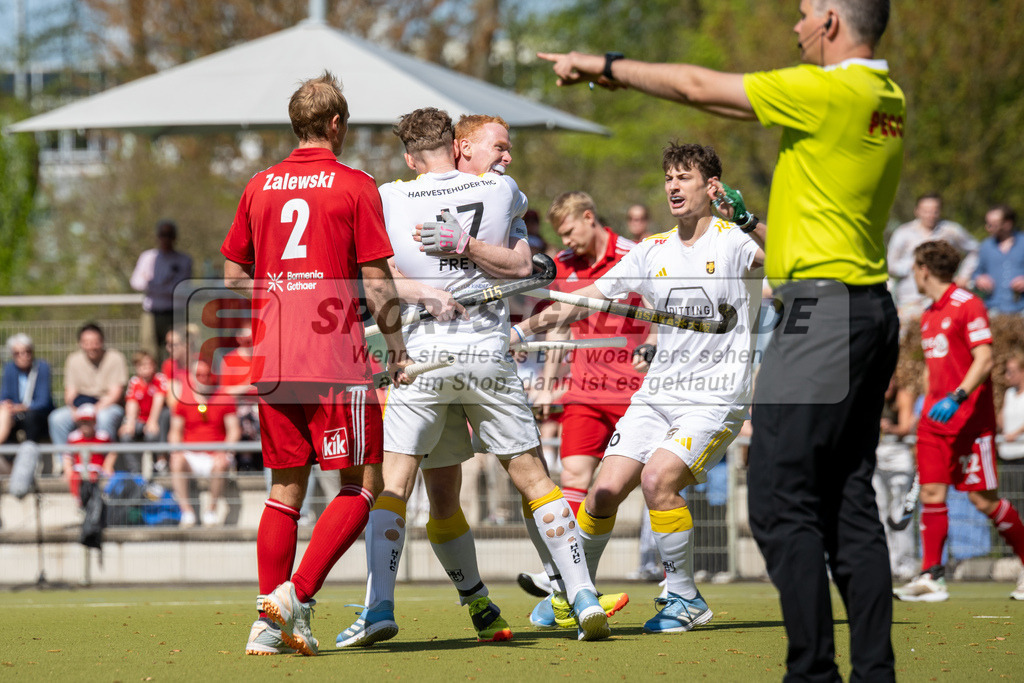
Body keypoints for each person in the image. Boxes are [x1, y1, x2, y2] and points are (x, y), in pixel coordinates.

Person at [539, 1, 904, 677]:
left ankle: (802, 663)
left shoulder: (830, 90)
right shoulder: (888, 96)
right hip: (865, 308)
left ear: (830, 19)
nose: (795, 27)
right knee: (849, 501)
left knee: (776, 499)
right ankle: (871, 669)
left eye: (802, 14)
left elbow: (695, 87)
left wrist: (601, 66)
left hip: (819, 313)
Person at [338, 107, 609, 648]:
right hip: (487, 354)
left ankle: (378, 608)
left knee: (396, 484)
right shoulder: (502, 190)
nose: (506, 157)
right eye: (498, 146)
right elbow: (521, 266)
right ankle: (580, 597)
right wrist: (440, 284)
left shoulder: (387, 196)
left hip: (420, 358)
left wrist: (422, 290)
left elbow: (381, 277)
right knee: (530, 477)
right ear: (457, 146)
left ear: (410, 157)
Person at [513, 143, 764, 633]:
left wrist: (750, 218)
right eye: (669, 176)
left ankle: (685, 598)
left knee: (658, 481)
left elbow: (788, 259)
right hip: (656, 396)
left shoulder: (733, 239)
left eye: (684, 177)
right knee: (602, 493)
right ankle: (571, 591)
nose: (672, 185)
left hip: (714, 399)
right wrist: (523, 331)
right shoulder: (652, 250)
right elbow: (584, 299)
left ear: (710, 187)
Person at [222, 71, 411, 657]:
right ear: (336, 124)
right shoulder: (356, 185)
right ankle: (295, 598)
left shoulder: (257, 185)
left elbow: (232, 278)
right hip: (334, 357)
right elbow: (378, 282)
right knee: (360, 485)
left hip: (273, 357)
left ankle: (268, 624)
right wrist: (397, 344)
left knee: (284, 491)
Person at [516, 190, 649, 604]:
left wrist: (657, 346)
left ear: (589, 217)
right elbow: (559, 329)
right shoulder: (565, 268)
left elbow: (666, 307)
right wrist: (548, 382)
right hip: (584, 392)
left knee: (645, 487)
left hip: (636, 396)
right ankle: (562, 572)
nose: (567, 241)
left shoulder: (635, 254)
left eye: (570, 231)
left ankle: (673, 579)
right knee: (572, 478)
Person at [894, 240, 1024, 602]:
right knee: (933, 495)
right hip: (933, 422)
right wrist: (927, 403)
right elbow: (933, 369)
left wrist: (957, 397)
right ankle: (931, 577)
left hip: (969, 421)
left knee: (984, 502)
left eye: (914, 268)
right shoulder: (929, 312)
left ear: (924, 269)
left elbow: (984, 360)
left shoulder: (969, 305)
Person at [168, 360, 240, 528]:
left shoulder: (225, 398)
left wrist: (226, 451)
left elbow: (234, 430)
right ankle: (187, 512)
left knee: (222, 462)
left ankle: (211, 510)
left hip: (216, 454)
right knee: (176, 461)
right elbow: (175, 431)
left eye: (207, 374)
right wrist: (176, 449)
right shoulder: (183, 400)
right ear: (192, 377)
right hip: (190, 454)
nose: (204, 379)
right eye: (199, 375)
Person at [48, 323, 128, 471]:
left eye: (95, 342)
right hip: (81, 405)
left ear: (102, 341)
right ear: (80, 343)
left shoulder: (116, 358)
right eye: (87, 343)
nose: (92, 346)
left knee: (104, 418)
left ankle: (103, 463)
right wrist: (74, 409)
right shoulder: (73, 360)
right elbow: (70, 392)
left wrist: (95, 410)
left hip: (107, 405)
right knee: (57, 418)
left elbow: (116, 393)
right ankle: (65, 463)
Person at [886, 194, 977, 317]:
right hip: (910, 299)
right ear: (917, 211)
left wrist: (964, 275)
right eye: (926, 211)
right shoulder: (903, 233)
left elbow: (975, 250)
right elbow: (890, 264)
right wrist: (915, 266)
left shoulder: (951, 230)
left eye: (934, 211)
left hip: (943, 298)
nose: (930, 215)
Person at [873, 367, 919, 582]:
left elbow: (906, 426)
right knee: (880, 509)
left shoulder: (903, 396)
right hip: (878, 454)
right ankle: (888, 562)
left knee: (900, 510)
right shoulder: (872, 394)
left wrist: (890, 427)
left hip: (900, 455)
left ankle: (907, 563)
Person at [131, 219, 193, 362]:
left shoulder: (184, 260)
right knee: (148, 354)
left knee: (176, 354)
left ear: (175, 237)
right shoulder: (147, 257)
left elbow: (180, 287)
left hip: (175, 313)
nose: (165, 239)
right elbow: (136, 282)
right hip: (152, 313)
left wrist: (152, 284)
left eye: (169, 235)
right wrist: (164, 285)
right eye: (162, 234)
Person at [0, 334, 53, 450]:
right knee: (4, 415)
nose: (23, 356)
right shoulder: (9, 368)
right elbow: (4, 395)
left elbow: (43, 401)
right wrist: (7, 404)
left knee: (30, 418)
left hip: (38, 414)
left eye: (27, 352)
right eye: (17, 353)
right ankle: (8, 458)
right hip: (15, 413)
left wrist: (21, 407)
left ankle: (29, 453)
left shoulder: (42, 367)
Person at [118, 350, 168, 473]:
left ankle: (159, 461)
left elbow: (159, 400)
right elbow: (132, 402)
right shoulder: (135, 382)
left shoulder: (159, 379)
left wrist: (152, 420)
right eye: (141, 365)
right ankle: (134, 470)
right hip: (140, 420)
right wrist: (130, 423)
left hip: (156, 418)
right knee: (125, 435)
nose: (145, 368)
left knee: (153, 434)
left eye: (148, 364)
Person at [973, 204, 1024, 315]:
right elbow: (977, 272)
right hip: (994, 308)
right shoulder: (985, 246)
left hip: (1021, 307)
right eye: (988, 224)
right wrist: (979, 279)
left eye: (993, 225)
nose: (989, 228)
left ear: (1007, 224)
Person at [63, 403, 115, 504]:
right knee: (75, 478)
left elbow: (113, 451)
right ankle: (80, 502)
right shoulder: (73, 437)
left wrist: (108, 466)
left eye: (88, 421)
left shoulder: (103, 436)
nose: (85, 425)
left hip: (97, 469)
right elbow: (67, 456)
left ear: (94, 422)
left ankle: (93, 502)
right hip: (79, 468)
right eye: (82, 422)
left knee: (95, 478)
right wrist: (67, 470)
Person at [998, 350, 1024, 461]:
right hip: (1007, 453)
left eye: (1011, 372)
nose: (1008, 376)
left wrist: (1015, 434)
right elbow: (1001, 420)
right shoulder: (1009, 393)